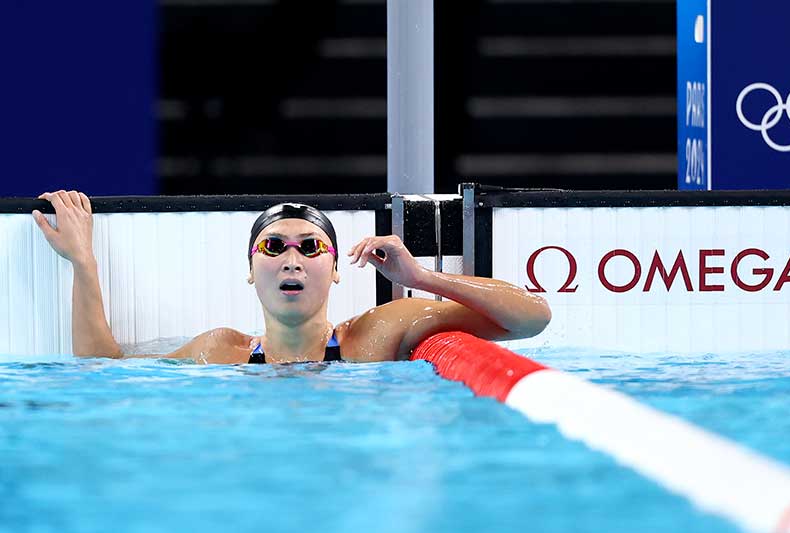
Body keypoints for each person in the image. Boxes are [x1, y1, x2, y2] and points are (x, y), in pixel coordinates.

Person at [32, 190, 551, 364]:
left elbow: (532, 317)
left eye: (310, 247)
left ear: (336, 269)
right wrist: (84, 262)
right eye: (274, 246)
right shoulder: (221, 352)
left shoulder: (377, 334)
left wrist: (420, 276)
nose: (292, 259)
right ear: (251, 270)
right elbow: (102, 367)